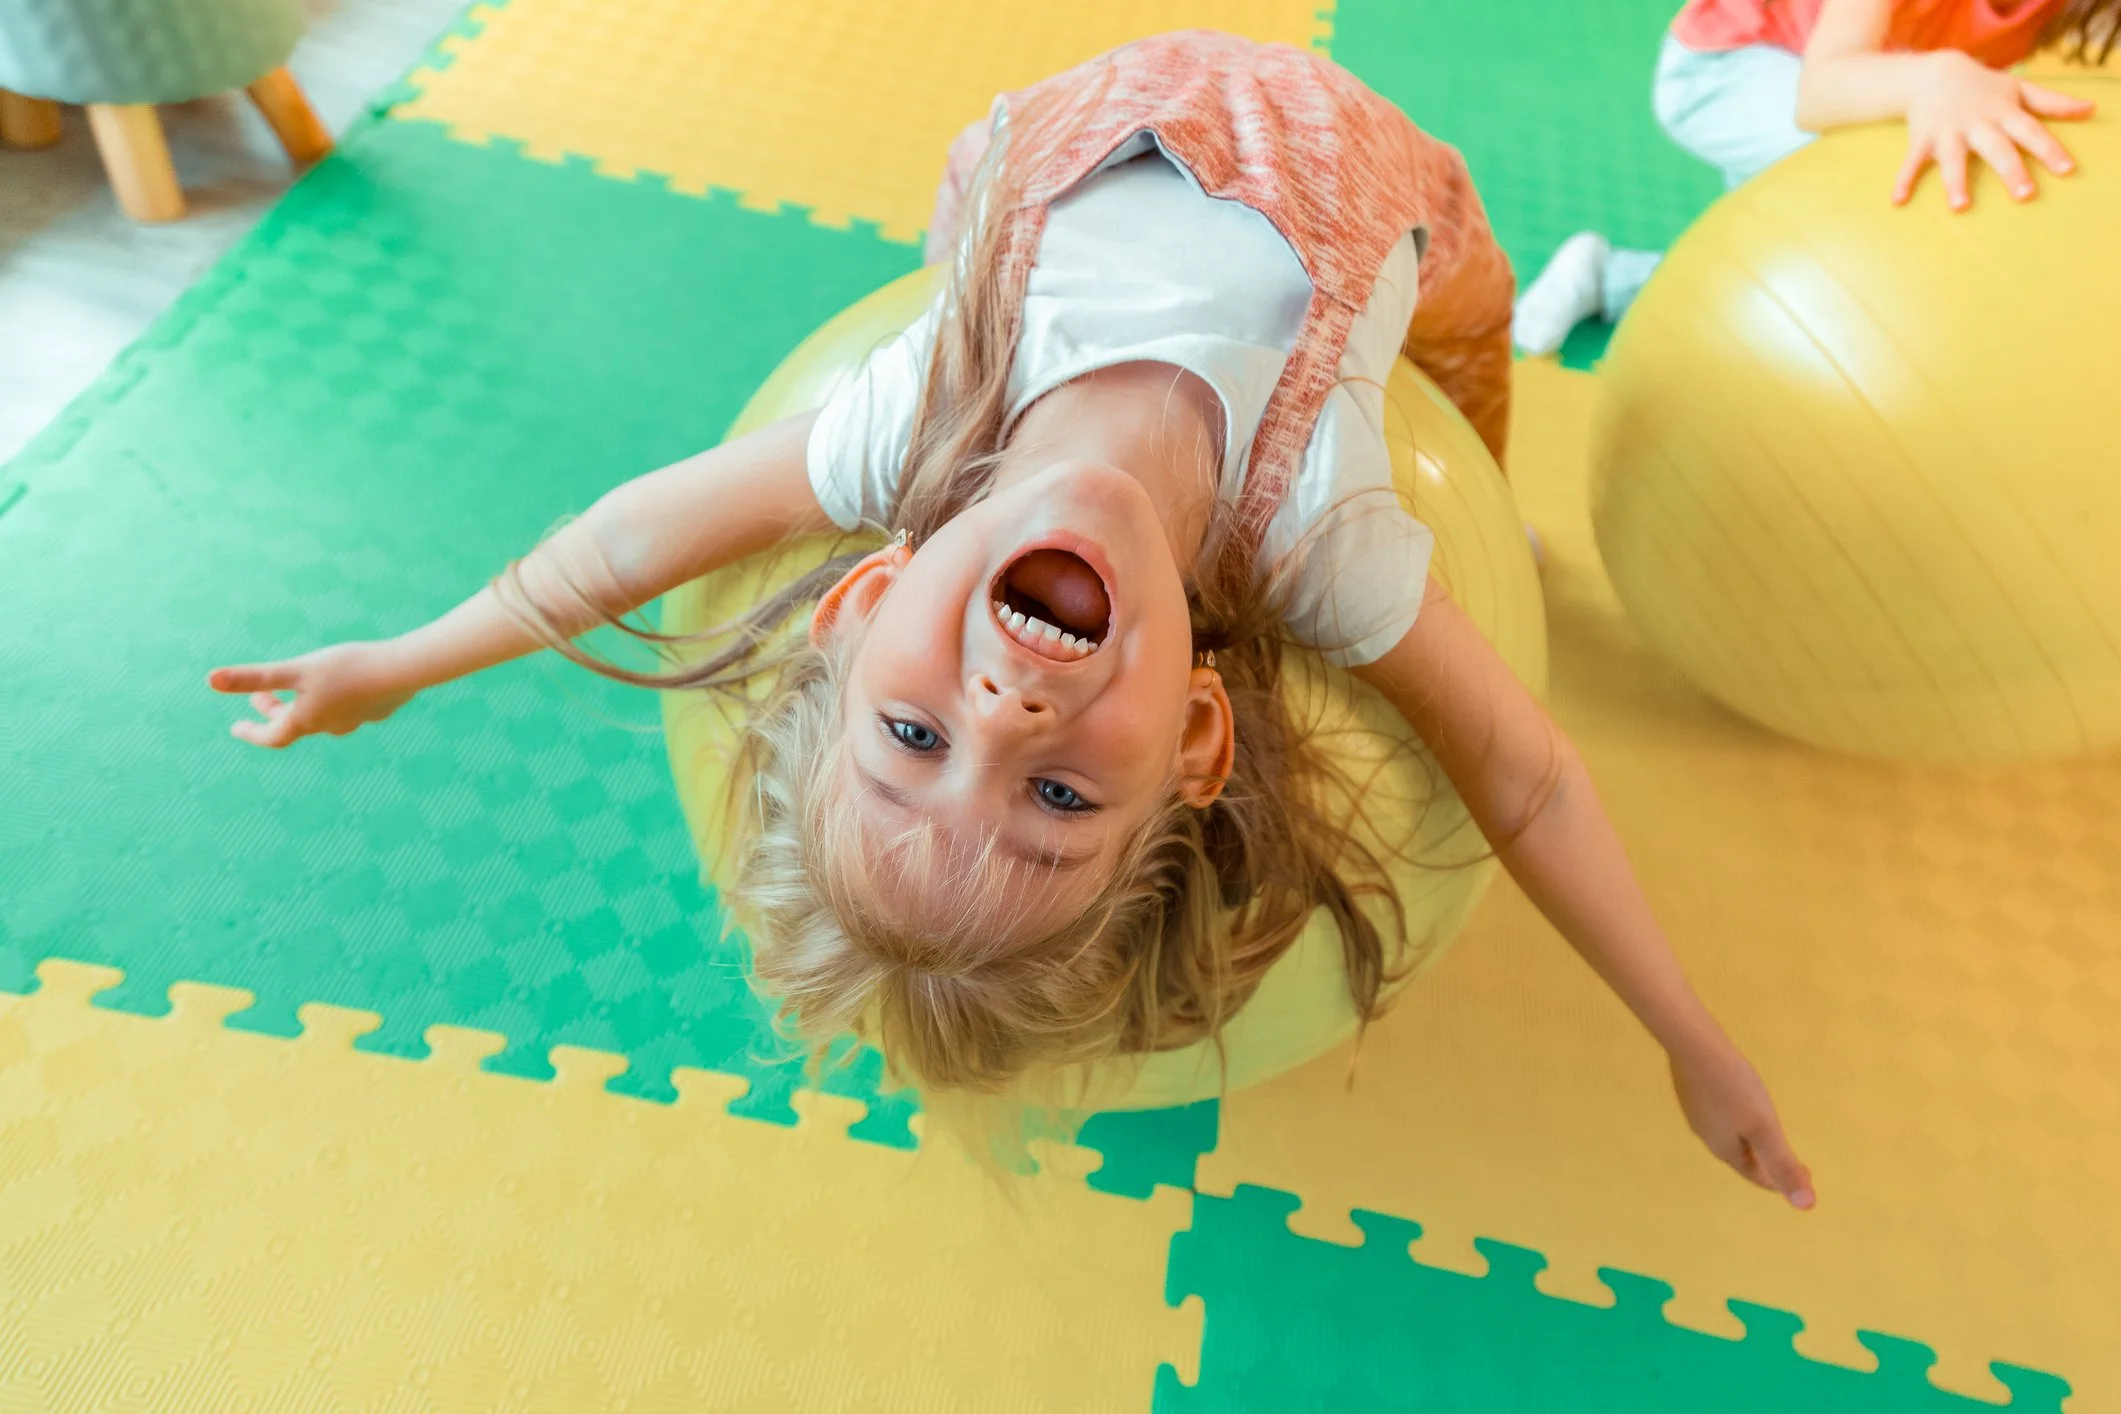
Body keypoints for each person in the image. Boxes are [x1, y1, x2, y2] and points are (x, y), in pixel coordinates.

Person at [209, 31, 1815, 1206]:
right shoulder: (1328, 531)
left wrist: (402, 660)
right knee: (1469, 367)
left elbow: (635, 530)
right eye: (1058, 799)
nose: (1003, 715)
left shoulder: (910, 417)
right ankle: (1495, 483)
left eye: (912, 736)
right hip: (1370, 167)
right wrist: (1688, 1033)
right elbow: (1522, 778)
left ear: (869, 591)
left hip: (1062, 142)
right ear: (1195, 734)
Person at [1513, 0, 2115, 356]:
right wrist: (1937, 77)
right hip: (1727, 73)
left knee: (1766, 276)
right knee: (1893, 195)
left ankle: (1608, 277)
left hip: (1867, 88)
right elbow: (1820, 93)